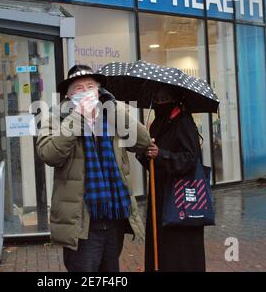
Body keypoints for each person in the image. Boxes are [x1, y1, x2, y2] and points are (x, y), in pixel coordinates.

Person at [36, 64, 151, 272]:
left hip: (114, 215)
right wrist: (78, 117)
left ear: (99, 91)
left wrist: (113, 108)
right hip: (81, 219)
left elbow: (142, 142)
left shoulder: (113, 112)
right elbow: (49, 154)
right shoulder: (56, 117)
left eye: (90, 86)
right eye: (79, 88)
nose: (86, 91)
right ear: (69, 96)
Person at [137, 84, 206, 272]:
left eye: (165, 99)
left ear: (175, 99)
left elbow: (191, 159)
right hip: (159, 196)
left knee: (179, 253)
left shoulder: (183, 122)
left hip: (180, 199)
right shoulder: (157, 123)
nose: (160, 103)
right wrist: (143, 152)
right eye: (157, 100)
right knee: (160, 248)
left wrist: (161, 154)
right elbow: (152, 163)